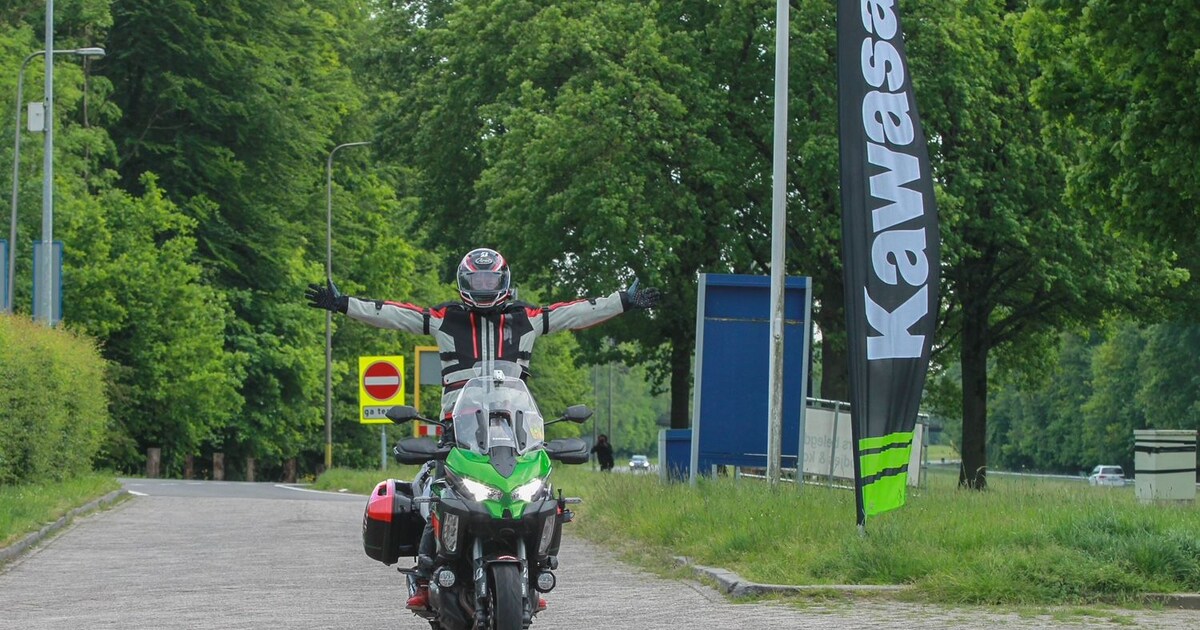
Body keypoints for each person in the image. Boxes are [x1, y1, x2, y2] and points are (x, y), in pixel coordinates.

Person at [305, 247, 659, 610]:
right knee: (437, 492)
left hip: (516, 426)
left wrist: (624, 301)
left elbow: (575, 312)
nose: (485, 287)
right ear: (464, 283)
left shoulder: (527, 317)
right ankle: (427, 573)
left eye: (491, 280)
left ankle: (536, 566)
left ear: (504, 281)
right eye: (478, 280)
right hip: (458, 428)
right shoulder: (446, 317)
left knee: (541, 491)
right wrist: (343, 303)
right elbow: (395, 314)